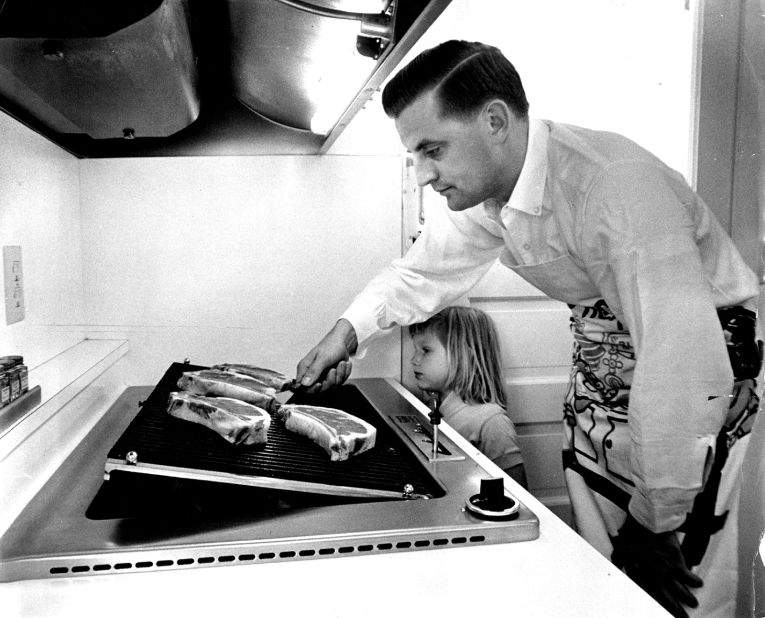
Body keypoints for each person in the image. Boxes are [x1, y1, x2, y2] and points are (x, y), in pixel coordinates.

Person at [295, 40, 761, 618]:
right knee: (607, 581)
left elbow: (684, 364)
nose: (422, 176)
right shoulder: (492, 194)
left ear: (494, 120)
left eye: (432, 150)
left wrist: (656, 518)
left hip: (693, 407)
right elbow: (422, 273)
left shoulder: (615, 187)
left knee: (681, 594)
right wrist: (346, 332)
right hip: (603, 388)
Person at [408, 306, 527, 487]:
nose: (414, 360)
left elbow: (517, 497)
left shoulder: (492, 423)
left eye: (425, 350)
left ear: (464, 355)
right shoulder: (432, 407)